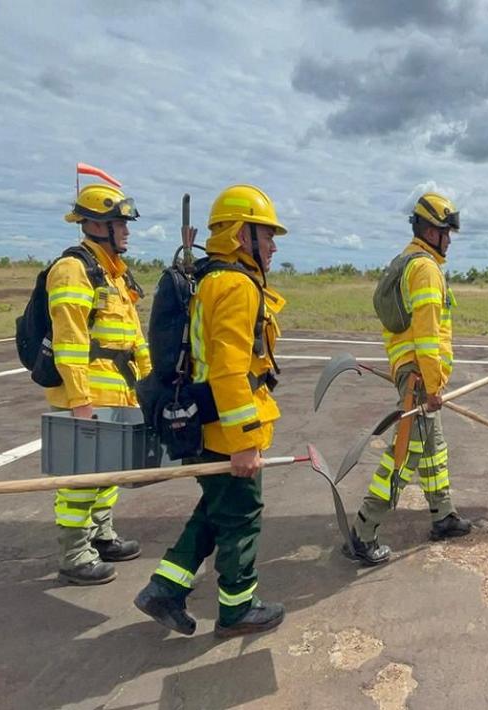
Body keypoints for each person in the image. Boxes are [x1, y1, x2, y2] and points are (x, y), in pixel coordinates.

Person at [135, 185, 288, 638]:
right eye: (268, 235)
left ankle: (165, 588)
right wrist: (244, 443)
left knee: (215, 508)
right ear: (244, 235)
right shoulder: (237, 286)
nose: (275, 246)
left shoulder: (213, 280)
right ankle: (238, 609)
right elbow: (228, 371)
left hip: (205, 424)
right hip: (225, 432)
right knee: (241, 516)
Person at [347, 192, 472, 566]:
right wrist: (432, 387)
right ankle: (363, 532)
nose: (449, 239)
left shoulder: (406, 262)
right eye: (445, 231)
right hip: (420, 377)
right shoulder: (426, 270)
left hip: (412, 372)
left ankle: (443, 515)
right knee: (403, 456)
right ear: (428, 230)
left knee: (433, 447)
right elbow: (428, 336)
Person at [50, 183, 149, 585]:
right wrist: (79, 402)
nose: (125, 230)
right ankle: (75, 553)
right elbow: (70, 342)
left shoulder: (115, 275)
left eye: (124, 222)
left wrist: (148, 382)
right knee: (80, 478)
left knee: (107, 472)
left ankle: (101, 534)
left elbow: (134, 337)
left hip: (120, 392)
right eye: (117, 223)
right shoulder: (72, 270)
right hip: (89, 394)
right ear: (92, 224)